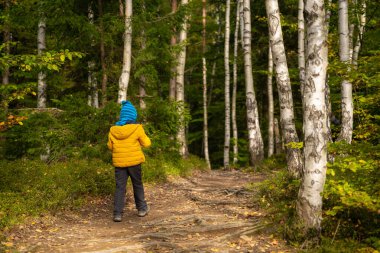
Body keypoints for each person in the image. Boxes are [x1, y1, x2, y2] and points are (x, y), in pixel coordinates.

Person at [107, 100, 151, 222]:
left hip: (119, 163)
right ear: (133, 116)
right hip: (134, 162)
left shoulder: (113, 130)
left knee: (120, 187)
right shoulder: (137, 128)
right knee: (137, 184)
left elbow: (110, 147)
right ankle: (142, 209)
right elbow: (146, 143)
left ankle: (117, 214)